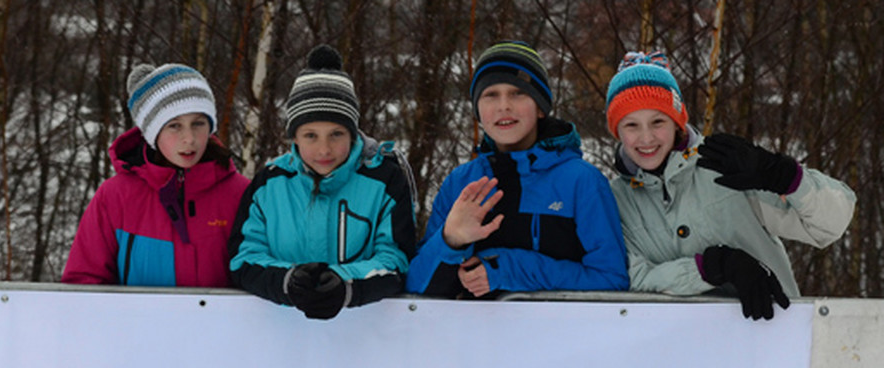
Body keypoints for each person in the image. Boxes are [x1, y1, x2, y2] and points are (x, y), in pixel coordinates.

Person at [605, 51, 857, 320]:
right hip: (676, 347)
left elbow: (832, 224)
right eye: (631, 125)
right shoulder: (615, 199)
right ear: (617, 131)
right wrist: (710, 268)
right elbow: (632, 276)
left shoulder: (727, 165)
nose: (646, 138)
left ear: (677, 122)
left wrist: (783, 176)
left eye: (658, 122)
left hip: (773, 334)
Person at [407, 41, 628, 298]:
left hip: (560, 335)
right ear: (478, 110)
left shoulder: (582, 181)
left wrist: (510, 269)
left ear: (541, 108)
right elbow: (417, 291)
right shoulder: (461, 182)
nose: (504, 106)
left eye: (517, 93)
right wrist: (450, 240)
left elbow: (612, 281)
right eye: (491, 95)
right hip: (472, 337)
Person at [228, 44, 415, 320]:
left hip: (365, 338)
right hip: (279, 337)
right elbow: (243, 258)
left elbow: (396, 260)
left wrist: (345, 284)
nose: (324, 149)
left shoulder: (384, 181)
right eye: (311, 136)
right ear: (294, 138)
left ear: (353, 134)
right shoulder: (269, 184)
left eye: (336, 134)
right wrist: (288, 282)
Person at [61, 63, 249, 286]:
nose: (189, 138)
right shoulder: (116, 197)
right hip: (136, 321)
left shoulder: (240, 194)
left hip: (219, 321)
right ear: (152, 132)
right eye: (174, 126)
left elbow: (257, 277)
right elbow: (83, 282)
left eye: (198, 123)